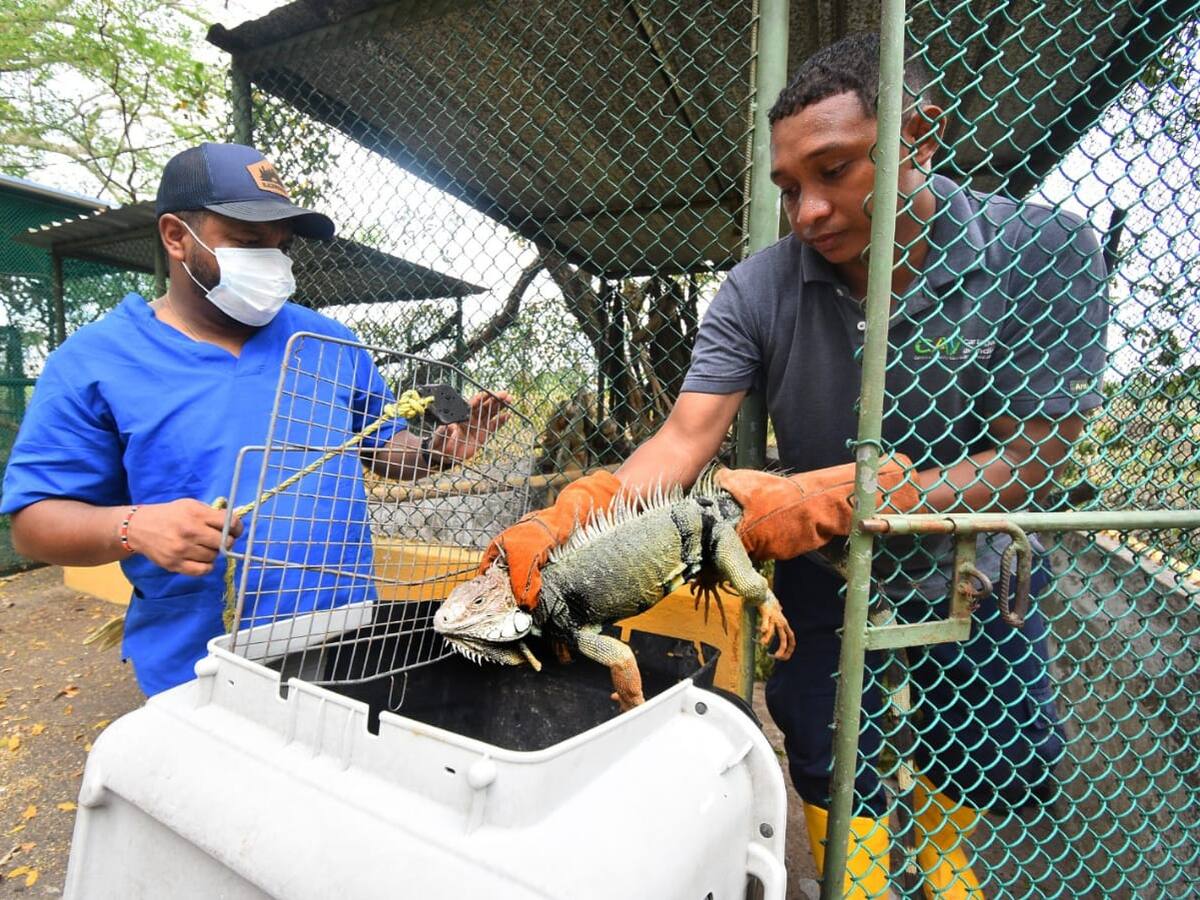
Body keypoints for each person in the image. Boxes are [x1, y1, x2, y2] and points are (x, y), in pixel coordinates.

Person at [481, 34, 1108, 899]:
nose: (808, 211)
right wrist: (577, 512)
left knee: (983, 751)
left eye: (835, 170)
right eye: (787, 188)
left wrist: (864, 495)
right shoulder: (758, 287)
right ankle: (858, 881)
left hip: (974, 560)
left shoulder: (1044, 250)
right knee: (819, 740)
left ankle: (944, 868)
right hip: (820, 564)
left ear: (919, 137)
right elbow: (684, 439)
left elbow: (1032, 455)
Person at [2, 142, 511, 697]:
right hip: (200, 662)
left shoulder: (329, 342)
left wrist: (437, 450)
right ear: (176, 236)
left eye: (281, 246)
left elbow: (384, 446)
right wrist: (134, 527)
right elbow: (34, 524)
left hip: (346, 640)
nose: (271, 262)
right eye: (246, 243)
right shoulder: (95, 361)